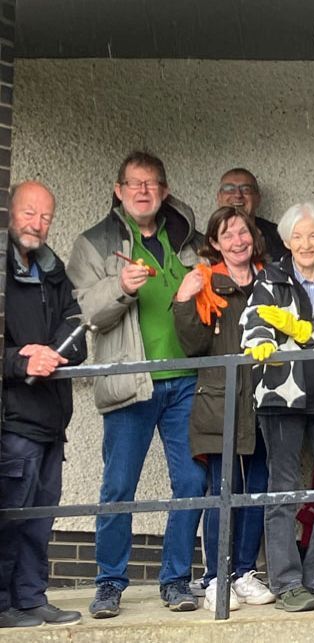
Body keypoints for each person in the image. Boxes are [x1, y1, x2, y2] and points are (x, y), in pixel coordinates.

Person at [67, 151, 207, 617]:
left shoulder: (189, 239)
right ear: (118, 190)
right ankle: (109, 583)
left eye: (152, 184)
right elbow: (84, 314)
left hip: (187, 380)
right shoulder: (94, 243)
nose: (143, 191)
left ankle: (176, 580)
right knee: (118, 487)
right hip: (131, 382)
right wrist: (121, 287)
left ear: (165, 191)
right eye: (134, 183)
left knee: (191, 481)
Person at [240, 203, 314, 613]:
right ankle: (287, 582)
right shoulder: (269, 279)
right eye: (297, 236)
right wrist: (266, 340)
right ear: (287, 241)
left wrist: (302, 334)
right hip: (280, 395)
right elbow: (254, 327)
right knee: (283, 489)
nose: (306, 244)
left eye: (313, 235)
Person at [172, 206, 273, 610]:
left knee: (258, 488)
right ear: (215, 243)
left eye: (243, 232)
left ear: (254, 236)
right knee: (223, 490)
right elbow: (192, 346)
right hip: (220, 402)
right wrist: (184, 299)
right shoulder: (207, 282)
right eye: (227, 234)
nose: (237, 240)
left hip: (266, 401)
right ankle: (216, 576)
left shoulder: (271, 280)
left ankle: (245, 571)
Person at [0, 182, 87, 628]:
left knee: (39, 519)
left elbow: (77, 327)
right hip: (13, 420)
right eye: (29, 213)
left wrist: (57, 351)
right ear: (9, 212)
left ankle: (31, 598)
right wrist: (22, 359)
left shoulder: (53, 272)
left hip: (52, 421)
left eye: (46, 217)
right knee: (9, 518)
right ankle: (2, 606)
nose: (37, 224)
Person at [216, 168, 286, 261]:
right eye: (229, 189)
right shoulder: (208, 237)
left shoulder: (278, 236)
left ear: (258, 198)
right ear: (219, 198)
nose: (238, 195)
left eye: (246, 189)